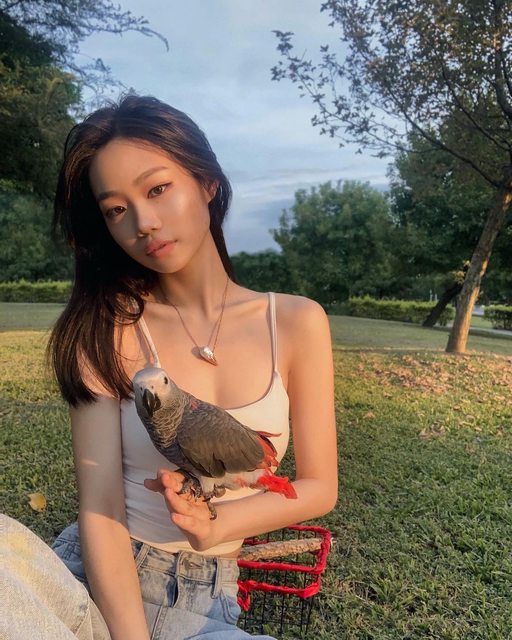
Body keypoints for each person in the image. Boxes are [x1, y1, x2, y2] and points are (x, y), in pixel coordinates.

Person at [45, 94, 338, 640]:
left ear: (206, 182)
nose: (144, 222)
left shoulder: (298, 322)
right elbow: (101, 509)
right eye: (116, 210)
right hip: (100, 580)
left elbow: (319, 486)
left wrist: (215, 525)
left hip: (207, 595)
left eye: (157, 189)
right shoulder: (106, 328)